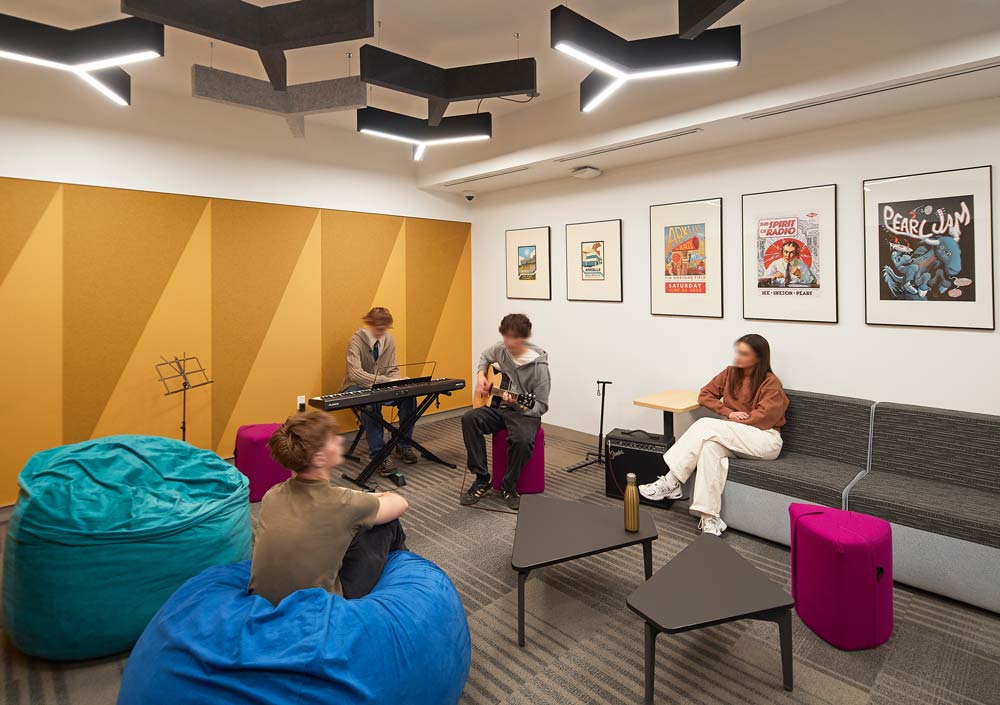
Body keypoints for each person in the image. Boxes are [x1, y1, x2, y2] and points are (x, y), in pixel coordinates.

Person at [248, 410, 409, 605]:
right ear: (319, 459)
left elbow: (334, 502)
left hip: (261, 600)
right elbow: (401, 503)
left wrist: (358, 497)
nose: (340, 441)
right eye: (332, 439)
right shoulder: (344, 504)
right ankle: (405, 578)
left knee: (354, 525)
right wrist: (374, 495)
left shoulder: (272, 494)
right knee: (387, 524)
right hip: (318, 607)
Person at [638, 334, 788, 536]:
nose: (738, 357)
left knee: (706, 425)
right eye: (738, 351)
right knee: (709, 447)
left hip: (765, 440)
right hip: (736, 438)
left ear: (759, 357)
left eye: (744, 353)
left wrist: (730, 423)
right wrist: (728, 412)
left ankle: (671, 480)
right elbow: (705, 395)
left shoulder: (771, 384)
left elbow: (764, 418)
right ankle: (710, 519)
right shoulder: (730, 374)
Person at [460, 313, 550, 510]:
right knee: (469, 419)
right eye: (506, 337)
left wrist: (518, 404)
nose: (509, 342)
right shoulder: (500, 349)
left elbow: (541, 405)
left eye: (515, 338)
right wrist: (481, 376)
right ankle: (482, 478)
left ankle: (509, 486)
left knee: (523, 441)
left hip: (524, 413)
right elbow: (485, 357)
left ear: (524, 337)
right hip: (498, 408)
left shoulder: (539, 366)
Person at [343, 307, 419, 475]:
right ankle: (379, 455)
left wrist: (398, 383)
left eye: (385, 329)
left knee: (409, 397)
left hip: (382, 386)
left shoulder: (388, 340)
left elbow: (392, 369)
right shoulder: (356, 340)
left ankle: (403, 445)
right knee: (370, 402)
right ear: (369, 323)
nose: (382, 332)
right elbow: (355, 374)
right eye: (379, 329)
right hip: (357, 386)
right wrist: (387, 381)